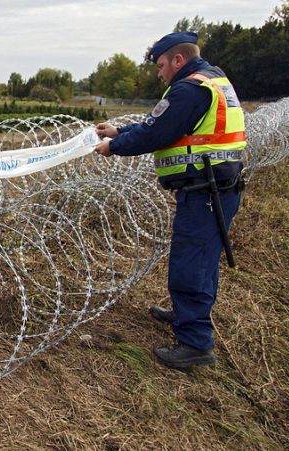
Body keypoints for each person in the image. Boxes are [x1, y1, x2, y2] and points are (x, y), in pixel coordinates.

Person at [93, 31, 246, 368]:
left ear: (178, 60)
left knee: (191, 264)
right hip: (218, 187)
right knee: (202, 261)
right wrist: (120, 131)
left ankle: (195, 344)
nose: (160, 73)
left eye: (161, 65)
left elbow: (158, 133)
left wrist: (113, 147)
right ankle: (186, 314)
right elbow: (163, 125)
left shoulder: (190, 88)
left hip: (206, 192)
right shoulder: (213, 79)